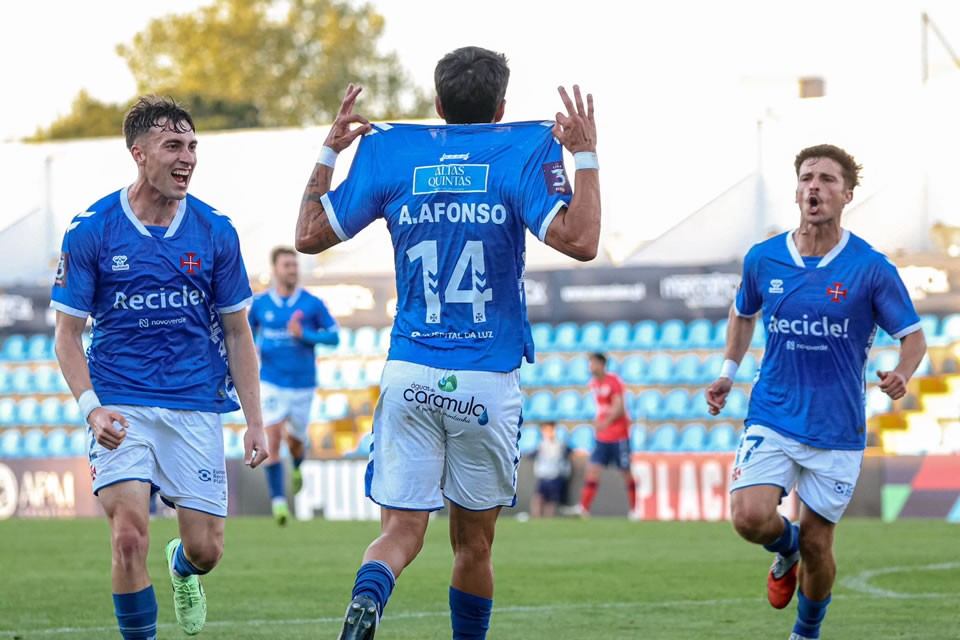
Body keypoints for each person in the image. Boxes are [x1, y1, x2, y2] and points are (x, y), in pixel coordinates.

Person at [295, 46, 600, 640]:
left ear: (437, 104)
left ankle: (368, 597)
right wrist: (584, 153)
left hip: (410, 371)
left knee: (401, 531)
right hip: (487, 379)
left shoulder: (392, 153)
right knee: (473, 547)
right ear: (502, 107)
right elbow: (582, 240)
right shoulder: (520, 151)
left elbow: (307, 235)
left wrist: (331, 149)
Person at [51, 96, 269, 639]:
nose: (187, 157)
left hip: (195, 403)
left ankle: (183, 570)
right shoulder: (90, 230)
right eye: (174, 145)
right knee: (128, 537)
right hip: (119, 402)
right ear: (139, 153)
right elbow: (67, 336)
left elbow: (239, 333)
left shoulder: (216, 231)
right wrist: (91, 407)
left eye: (192, 146)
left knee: (207, 549)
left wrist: (255, 420)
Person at [705, 144, 926, 640]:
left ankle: (806, 632)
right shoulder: (763, 259)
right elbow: (743, 312)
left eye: (827, 179)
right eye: (807, 177)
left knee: (820, 546)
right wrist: (727, 371)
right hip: (774, 413)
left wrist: (902, 374)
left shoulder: (870, 267)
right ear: (796, 188)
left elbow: (913, 336)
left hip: (837, 428)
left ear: (847, 195)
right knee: (749, 518)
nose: (814, 187)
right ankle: (784, 548)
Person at [249, 246, 340, 525]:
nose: (292, 270)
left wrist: (306, 335)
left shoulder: (312, 303)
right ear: (275, 270)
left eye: (294, 265)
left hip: (303, 385)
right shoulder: (261, 304)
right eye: (287, 265)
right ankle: (279, 503)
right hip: (272, 382)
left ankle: (298, 465)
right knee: (273, 436)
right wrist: (253, 348)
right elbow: (247, 336)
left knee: (296, 442)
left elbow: (334, 337)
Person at [574, 352, 635, 517]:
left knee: (626, 471)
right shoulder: (593, 384)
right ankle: (583, 508)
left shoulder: (613, 381)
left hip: (619, 435)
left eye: (593, 363)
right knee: (593, 469)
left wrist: (604, 423)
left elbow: (619, 407)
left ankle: (635, 509)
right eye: (589, 363)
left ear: (602, 364)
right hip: (602, 436)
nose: (590, 367)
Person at [529, 421, 572, 518]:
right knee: (538, 497)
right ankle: (535, 517)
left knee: (552, 500)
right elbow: (531, 456)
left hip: (555, 475)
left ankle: (549, 518)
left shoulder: (560, 445)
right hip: (543, 475)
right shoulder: (541, 445)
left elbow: (568, 453)